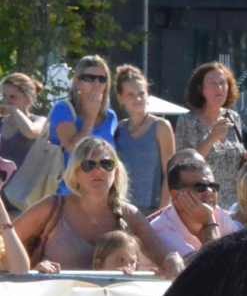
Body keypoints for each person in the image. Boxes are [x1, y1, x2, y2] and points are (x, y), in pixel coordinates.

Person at [1, 138, 180, 278]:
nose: (99, 171)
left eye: (106, 164)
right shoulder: (52, 207)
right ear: (75, 174)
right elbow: (3, 251)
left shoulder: (130, 214)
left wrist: (173, 259)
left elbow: (164, 257)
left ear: (116, 172)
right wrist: (34, 270)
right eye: (89, 165)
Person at [176, 61, 246, 207]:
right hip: (201, 200)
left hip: (234, 204)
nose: (219, 88)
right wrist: (211, 138)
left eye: (223, 83)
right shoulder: (187, 121)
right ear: (201, 89)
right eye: (213, 83)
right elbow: (183, 165)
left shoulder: (234, 117)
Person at [146, 152, 239, 258]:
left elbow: (243, 253)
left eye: (213, 186)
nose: (209, 192)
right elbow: (208, 266)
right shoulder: (160, 229)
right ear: (176, 195)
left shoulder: (218, 213)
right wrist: (209, 222)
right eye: (200, 187)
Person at [112, 65, 176, 215]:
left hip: (153, 209)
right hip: (122, 208)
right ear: (121, 98)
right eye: (131, 95)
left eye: (141, 93)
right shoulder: (118, 129)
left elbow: (171, 173)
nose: (138, 99)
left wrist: (163, 210)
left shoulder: (161, 126)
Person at [49, 56, 118, 158]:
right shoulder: (63, 109)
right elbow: (72, 149)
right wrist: (90, 119)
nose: (96, 84)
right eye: (89, 78)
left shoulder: (110, 116)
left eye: (102, 79)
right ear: (77, 82)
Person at [1, 73, 49, 214]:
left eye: (13, 97)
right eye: (4, 96)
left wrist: (14, 110)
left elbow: (31, 132)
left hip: (20, 198)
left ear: (28, 99)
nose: (6, 101)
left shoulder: (39, 120)